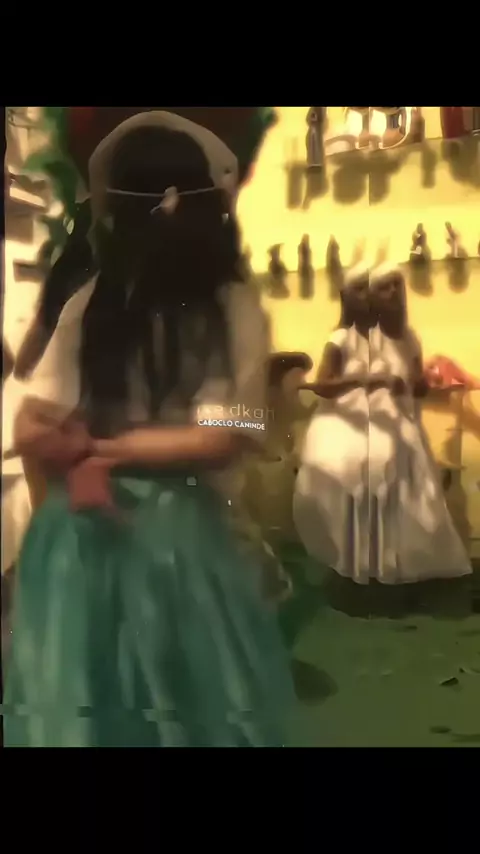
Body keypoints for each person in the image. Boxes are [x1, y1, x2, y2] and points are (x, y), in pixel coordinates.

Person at [3, 112, 293, 748]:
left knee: (93, 708)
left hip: (86, 537)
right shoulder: (224, 306)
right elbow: (232, 430)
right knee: (186, 710)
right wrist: (100, 450)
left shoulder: (100, 300)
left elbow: (32, 423)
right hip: (169, 539)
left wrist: (91, 451)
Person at [366, 263, 472, 583]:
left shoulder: (410, 337)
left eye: (397, 285)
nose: (393, 292)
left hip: (409, 426)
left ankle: (420, 572)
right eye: (384, 286)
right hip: (375, 430)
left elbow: (418, 387)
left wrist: (424, 382)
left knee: (421, 501)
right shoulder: (364, 338)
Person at [293, 264, 374, 581]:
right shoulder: (340, 338)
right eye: (359, 289)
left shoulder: (376, 338)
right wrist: (357, 380)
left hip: (367, 425)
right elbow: (323, 385)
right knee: (340, 498)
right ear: (346, 297)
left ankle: (362, 569)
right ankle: (342, 570)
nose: (367, 295)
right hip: (339, 428)